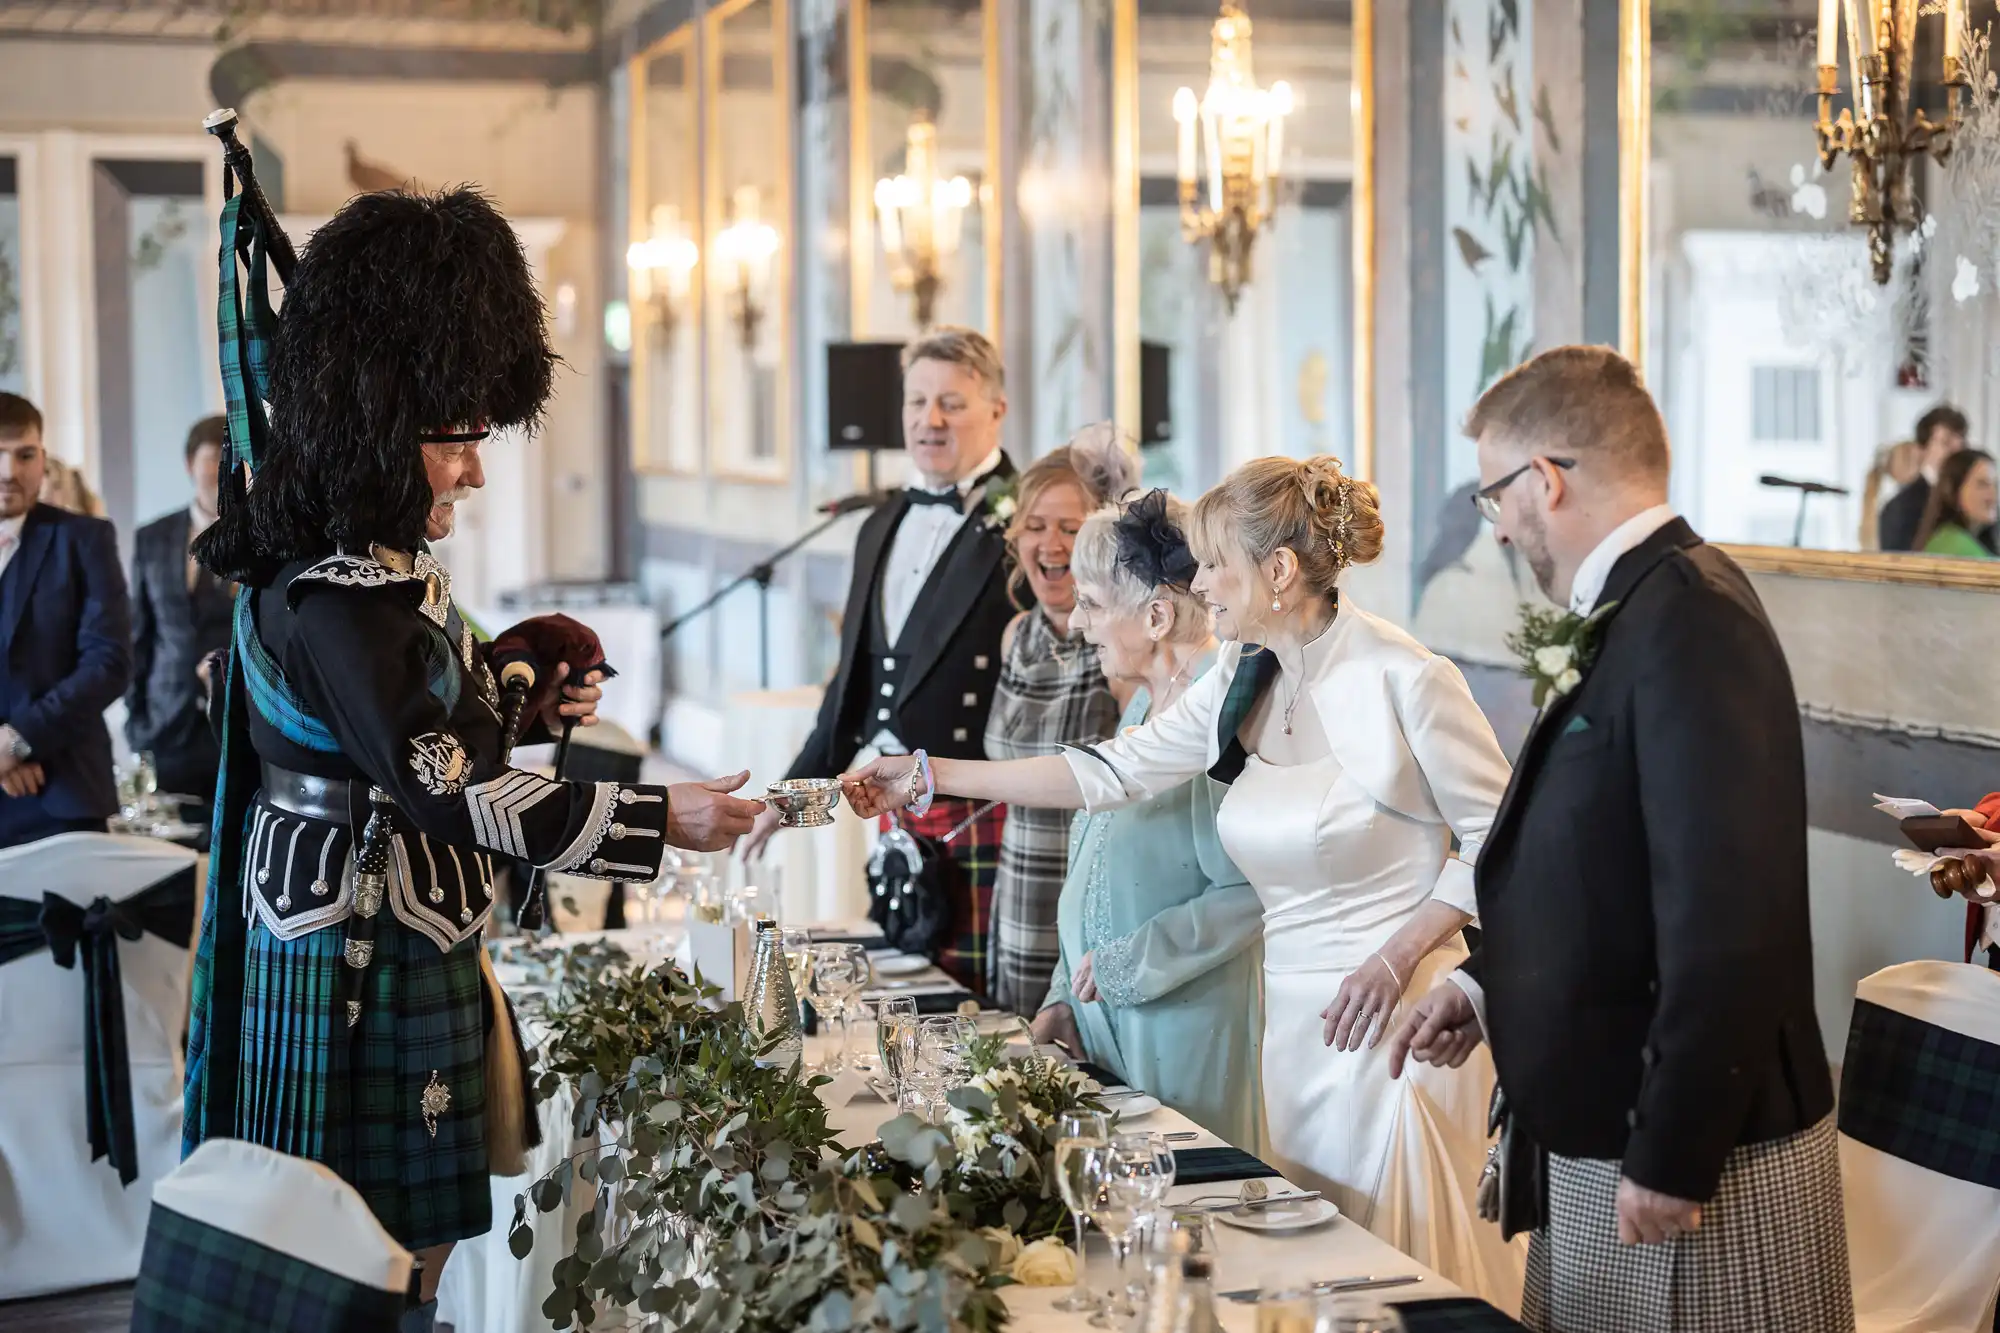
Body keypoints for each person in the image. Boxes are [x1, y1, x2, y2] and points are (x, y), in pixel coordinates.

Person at [181, 188, 765, 1333]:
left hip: (394, 921)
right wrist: (656, 821)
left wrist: (518, 683)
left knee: (406, 1250)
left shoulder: (368, 574)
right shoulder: (342, 599)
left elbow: (428, 731)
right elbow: (447, 788)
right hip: (354, 946)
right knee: (358, 1256)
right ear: (381, 432)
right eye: (459, 442)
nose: (475, 473)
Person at [845, 454, 1527, 1310]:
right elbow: (1110, 772)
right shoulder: (1245, 675)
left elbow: (1504, 840)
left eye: (1216, 565)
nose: (1199, 583)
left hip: (1395, 1030)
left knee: (1401, 1287)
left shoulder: (1408, 677)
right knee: (1304, 1281)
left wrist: (1401, 952)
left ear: (1278, 572)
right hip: (1291, 1032)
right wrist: (932, 774)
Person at [1389, 345, 1849, 1333]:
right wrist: (1485, 983)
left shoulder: (1689, 619)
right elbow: (1592, 866)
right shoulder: (1629, 607)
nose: (1500, 528)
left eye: (1492, 499)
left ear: (1542, 480)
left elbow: (1731, 915)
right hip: (1601, 1123)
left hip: (1689, 1151)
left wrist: (1671, 1151)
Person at [743, 326, 1017, 995]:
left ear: (996, 412)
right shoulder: (880, 522)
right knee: (904, 989)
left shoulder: (1028, 521)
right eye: (917, 400)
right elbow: (851, 690)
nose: (930, 419)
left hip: (984, 807)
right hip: (894, 809)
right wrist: (790, 798)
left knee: (974, 1005)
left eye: (951, 402)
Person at [1031, 489, 1263, 1150]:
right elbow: (1090, 870)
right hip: (1105, 1027)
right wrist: (1062, 996)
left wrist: (1128, 962)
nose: (1079, 623)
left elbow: (1251, 892)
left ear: (1158, 614)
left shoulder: (1216, 721)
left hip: (1185, 1037)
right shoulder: (1143, 710)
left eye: (1094, 603)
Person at [984, 427, 1133, 1012]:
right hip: (1018, 879)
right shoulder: (1015, 636)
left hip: (1088, 886)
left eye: (1070, 529)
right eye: (1036, 526)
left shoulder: (1119, 648)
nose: (1050, 544)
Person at [0, 393, 132, 849]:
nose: (8, 471)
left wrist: (18, 740)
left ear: (43, 456)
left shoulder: (85, 539)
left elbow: (108, 662)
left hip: (64, 798)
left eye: (24, 454)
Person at [127, 414, 234, 805]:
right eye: (213, 460)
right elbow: (139, 634)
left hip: (235, 723)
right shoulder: (152, 538)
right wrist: (136, 721)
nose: (223, 471)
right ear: (191, 464)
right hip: (164, 722)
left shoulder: (262, 541)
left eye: (232, 459)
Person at [1879, 404, 1969, 552]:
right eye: (1945, 442)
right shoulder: (1901, 507)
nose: (1958, 450)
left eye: (1962, 441)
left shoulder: (1971, 498)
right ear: (1923, 449)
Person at [1913, 448, 1999, 560]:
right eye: (1982, 484)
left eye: (1996, 485)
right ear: (1952, 490)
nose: (1994, 495)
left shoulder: (1944, 538)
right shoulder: (1955, 545)